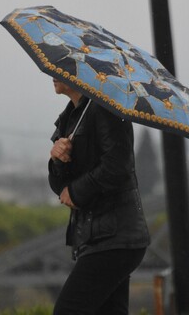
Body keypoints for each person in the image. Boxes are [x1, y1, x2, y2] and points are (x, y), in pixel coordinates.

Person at [48, 78, 151, 315]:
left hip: (114, 236)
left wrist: (75, 192)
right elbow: (59, 186)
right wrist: (57, 159)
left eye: (63, 67)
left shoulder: (104, 108)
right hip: (97, 237)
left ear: (78, 73)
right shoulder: (71, 117)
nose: (53, 74)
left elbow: (117, 166)